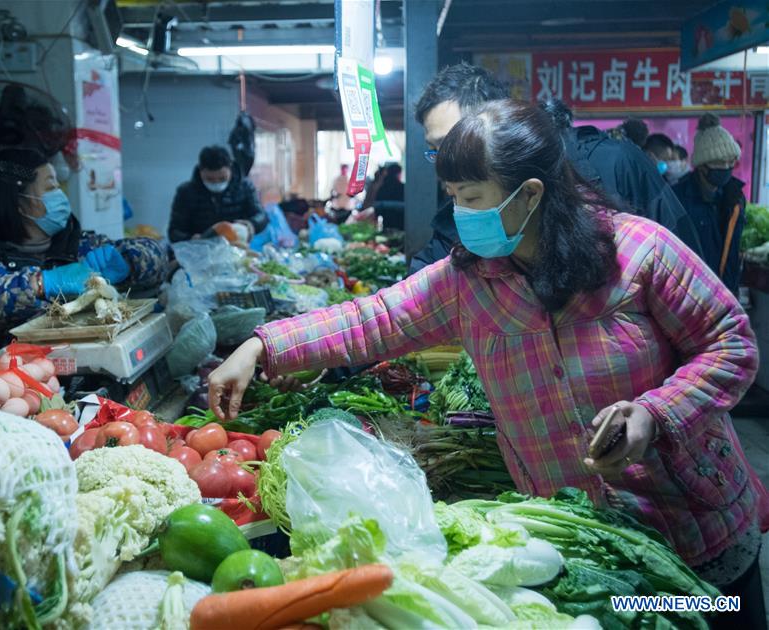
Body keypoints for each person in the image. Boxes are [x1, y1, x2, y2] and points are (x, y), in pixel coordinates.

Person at [208, 100, 767, 627]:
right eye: (454, 195)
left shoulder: (640, 252)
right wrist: (262, 346)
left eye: (472, 197)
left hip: (697, 528)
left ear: (529, 194)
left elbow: (731, 345)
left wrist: (654, 414)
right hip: (589, 548)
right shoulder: (467, 282)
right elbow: (370, 320)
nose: (460, 214)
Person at [409, 65, 701, 273]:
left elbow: (691, 276)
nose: (446, 164)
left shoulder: (616, 165)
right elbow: (425, 284)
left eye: (452, 144)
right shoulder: (472, 209)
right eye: (435, 150)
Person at [0, 148, 168, 364]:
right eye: (50, 188)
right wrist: (40, 285)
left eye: (59, 186)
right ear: (19, 203)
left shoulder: (79, 244)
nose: (61, 196)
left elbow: (157, 254)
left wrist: (130, 262)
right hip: (15, 388)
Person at [673, 114, 747, 296]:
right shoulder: (678, 196)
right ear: (702, 165)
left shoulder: (735, 197)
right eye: (720, 162)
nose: (727, 167)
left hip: (726, 292)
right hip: (689, 294)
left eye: (731, 162)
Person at [168, 145, 267, 243]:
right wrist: (190, 239)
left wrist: (251, 225)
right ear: (200, 171)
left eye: (222, 178)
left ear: (230, 169)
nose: (216, 183)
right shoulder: (185, 192)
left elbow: (261, 216)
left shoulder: (245, 187)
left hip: (237, 249)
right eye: (209, 179)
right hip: (200, 250)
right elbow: (174, 232)